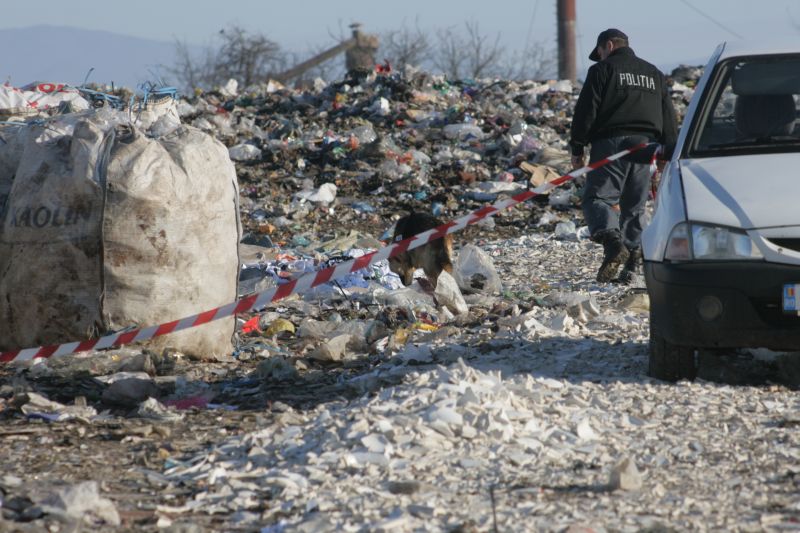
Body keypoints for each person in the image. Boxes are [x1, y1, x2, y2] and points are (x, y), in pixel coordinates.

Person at [570, 28, 678, 283]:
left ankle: (612, 243)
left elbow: (586, 110)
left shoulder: (602, 70)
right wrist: (668, 150)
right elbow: (668, 114)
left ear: (608, 45)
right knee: (634, 205)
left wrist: (577, 147)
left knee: (598, 198)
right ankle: (633, 264)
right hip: (646, 146)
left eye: (600, 53)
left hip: (611, 145)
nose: (600, 58)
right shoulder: (653, 73)